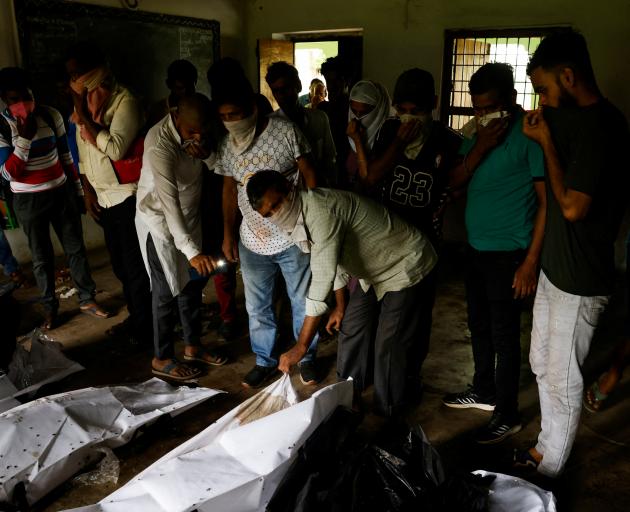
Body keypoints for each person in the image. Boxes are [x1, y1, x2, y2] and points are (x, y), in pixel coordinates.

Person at [517, 30, 629, 476]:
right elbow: (532, 122)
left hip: (580, 281)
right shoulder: (568, 117)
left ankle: (549, 476)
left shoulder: (605, 127)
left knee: (563, 379)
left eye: (544, 89)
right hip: (555, 270)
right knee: (542, 363)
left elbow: (572, 207)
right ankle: (546, 446)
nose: (540, 100)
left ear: (568, 75)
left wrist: (544, 142)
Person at [246, 170, 437, 416]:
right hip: (370, 271)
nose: (277, 214)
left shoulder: (320, 210)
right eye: (268, 214)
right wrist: (340, 305)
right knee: (352, 328)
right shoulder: (296, 223)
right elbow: (331, 261)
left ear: (289, 189)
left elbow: (322, 276)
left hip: (404, 262)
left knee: (389, 346)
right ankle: (347, 394)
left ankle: (389, 412)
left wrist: (302, 345)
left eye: (277, 204)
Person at [441, 63, 547, 445]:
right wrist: (482, 144)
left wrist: (530, 262)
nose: (484, 115)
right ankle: (483, 391)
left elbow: (545, 201)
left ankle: (507, 413)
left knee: (505, 335)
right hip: (476, 248)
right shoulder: (481, 134)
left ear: (511, 100)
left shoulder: (529, 134)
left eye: (490, 107)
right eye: (477, 108)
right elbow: (455, 179)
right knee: (478, 324)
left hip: (510, 253)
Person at [354, 68, 463, 396]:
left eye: (417, 111)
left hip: (422, 248)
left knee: (413, 322)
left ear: (433, 104)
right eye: (403, 110)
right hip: (381, 244)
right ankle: (372, 375)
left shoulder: (448, 141)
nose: (409, 119)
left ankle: (408, 378)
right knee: (372, 314)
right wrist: (397, 143)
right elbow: (371, 177)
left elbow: (455, 185)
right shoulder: (390, 132)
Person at [213, 76, 319, 389]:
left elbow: (312, 176)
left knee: (302, 300)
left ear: (252, 108)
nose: (231, 122)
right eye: (224, 117)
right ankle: (264, 360)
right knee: (256, 306)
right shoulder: (225, 145)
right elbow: (229, 189)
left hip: (292, 235)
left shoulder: (285, 132)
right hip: (252, 241)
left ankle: (307, 357)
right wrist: (228, 234)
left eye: (236, 114)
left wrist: (313, 222)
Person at [0, 66, 106, 329]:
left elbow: (66, 156)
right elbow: (7, 173)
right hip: (28, 201)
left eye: (25, 95)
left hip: (61, 193)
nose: (21, 103)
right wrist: (24, 138)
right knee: (41, 257)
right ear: (5, 100)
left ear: (32, 92)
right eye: (14, 99)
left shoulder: (51, 114)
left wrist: (79, 192)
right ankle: (50, 308)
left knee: (75, 248)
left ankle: (87, 297)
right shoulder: (2, 126)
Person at [136, 93, 227, 381]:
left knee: (189, 288)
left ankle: (192, 346)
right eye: (191, 132)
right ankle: (161, 358)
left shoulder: (200, 131)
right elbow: (168, 202)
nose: (197, 137)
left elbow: (220, 166)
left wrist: (208, 155)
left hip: (190, 219)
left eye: (202, 131)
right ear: (176, 117)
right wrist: (191, 251)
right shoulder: (159, 145)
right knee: (164, 294)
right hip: (160, 223)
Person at [66, 43, 152, 345]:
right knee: (119, 266)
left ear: (96, 70)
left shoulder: (123, 101)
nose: (74, 80)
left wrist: (82, 113)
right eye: (71, 74)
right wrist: (87, 192)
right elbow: (83, 155)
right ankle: (138, 316)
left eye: (79, 73)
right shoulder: (87, 104)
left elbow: (117, 149)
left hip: (127, 196)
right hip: (103, 198)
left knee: (134, 266)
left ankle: (145, 328)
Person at [265, 61, 336, 186]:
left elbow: (329, 158)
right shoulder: (269, 125)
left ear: (298, 85)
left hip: (318, 190)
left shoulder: (319, 118)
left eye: (285, 88)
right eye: (276, 91)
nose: (281, 95)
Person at [345, 80, 393, 193]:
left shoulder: (389, 134)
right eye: (354, 111)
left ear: (378, 109)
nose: (357, 118)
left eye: (364, 113)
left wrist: (357, 140)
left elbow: (366, 177)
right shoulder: (350, 131)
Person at [318, 57, 351, 188]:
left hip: (347, 173)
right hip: (326, 172)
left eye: (336, 81)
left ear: (346, 81)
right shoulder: (322, 109)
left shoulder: (353, 110)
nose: (330, 86)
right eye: (328, 81)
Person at [147, 59, 198, 128]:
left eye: (189, 87)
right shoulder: (157, 111)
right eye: (180, 88)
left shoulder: (201, 109)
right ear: (169, 84)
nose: (185, 92)